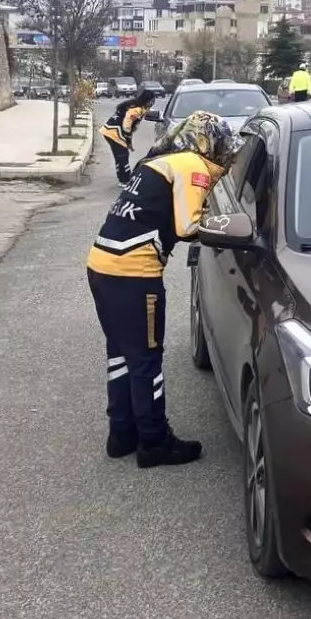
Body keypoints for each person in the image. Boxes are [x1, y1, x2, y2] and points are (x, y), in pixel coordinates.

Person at [86, 111, 239, 468]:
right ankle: (155, 442)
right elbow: (188, 226)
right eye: (223, 147)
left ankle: (121, 434)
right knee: (147, 361)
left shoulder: (158, 161)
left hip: (101, 267)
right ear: (207, 141)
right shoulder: (192, 165)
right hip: (134, 276)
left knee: (121, 355)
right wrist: (228, 223)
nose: (225, 156)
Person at [98, 90, 157, 187]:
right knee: (122, 155)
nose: (152, 103)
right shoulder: (136, 109)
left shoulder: (136, 105)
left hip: (110, 131)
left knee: (121, 155)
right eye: (151, 101)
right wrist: (127, 134)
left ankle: (123, 177)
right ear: (147, 100)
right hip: (114, 132)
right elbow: (127, 122)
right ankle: (124, 180)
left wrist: (128, 141)